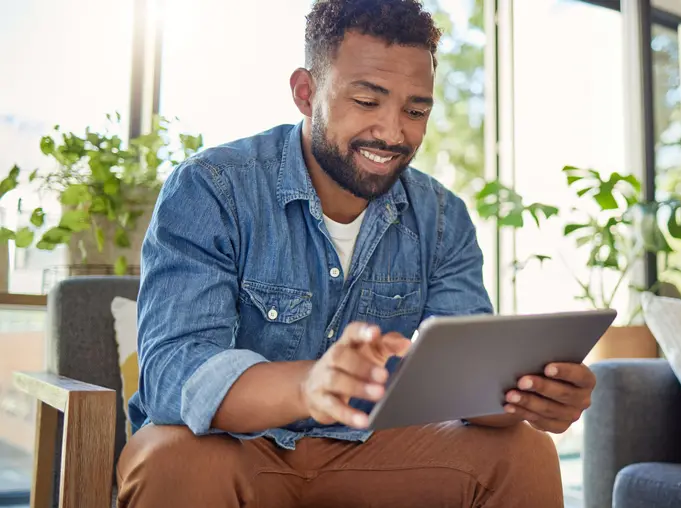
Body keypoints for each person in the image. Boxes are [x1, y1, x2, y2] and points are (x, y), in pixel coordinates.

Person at [116, 1, 596, 506]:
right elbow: (174, 374)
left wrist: (532, 400)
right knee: (169, 459)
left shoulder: (441, 217)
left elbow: (466, 390)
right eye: (367, 101)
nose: (393, 133)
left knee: (524, 450)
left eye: (416, 110)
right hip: (235, 450)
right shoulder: (214, 187)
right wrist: (307, 386)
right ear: (306, 93)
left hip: (367, 452)